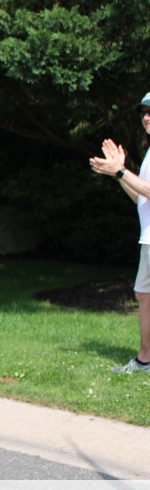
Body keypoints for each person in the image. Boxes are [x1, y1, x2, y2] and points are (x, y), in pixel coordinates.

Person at [89, 91, 150, 373]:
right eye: (144, 113)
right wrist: (118, 172)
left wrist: (122, 172)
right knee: (144, 296)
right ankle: (145, 360)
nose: (146, 118)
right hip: (147, 239)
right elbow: (141, 198)